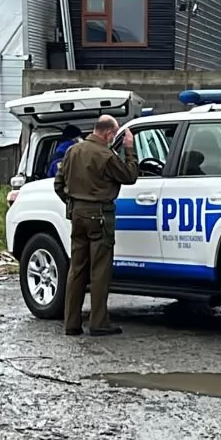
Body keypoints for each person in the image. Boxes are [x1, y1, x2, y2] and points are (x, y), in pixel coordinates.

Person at [54, 115, 138, 336]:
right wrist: (129, 149)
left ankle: (71, 323)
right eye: (114, 135)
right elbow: (130, 176)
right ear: (109, 133)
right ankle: (98, 322)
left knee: (77, 269)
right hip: (100, 215)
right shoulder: (106, 155)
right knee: (99, 270)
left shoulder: (73, 151)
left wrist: (74, 203)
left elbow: (58, 184)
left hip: (78, 215)